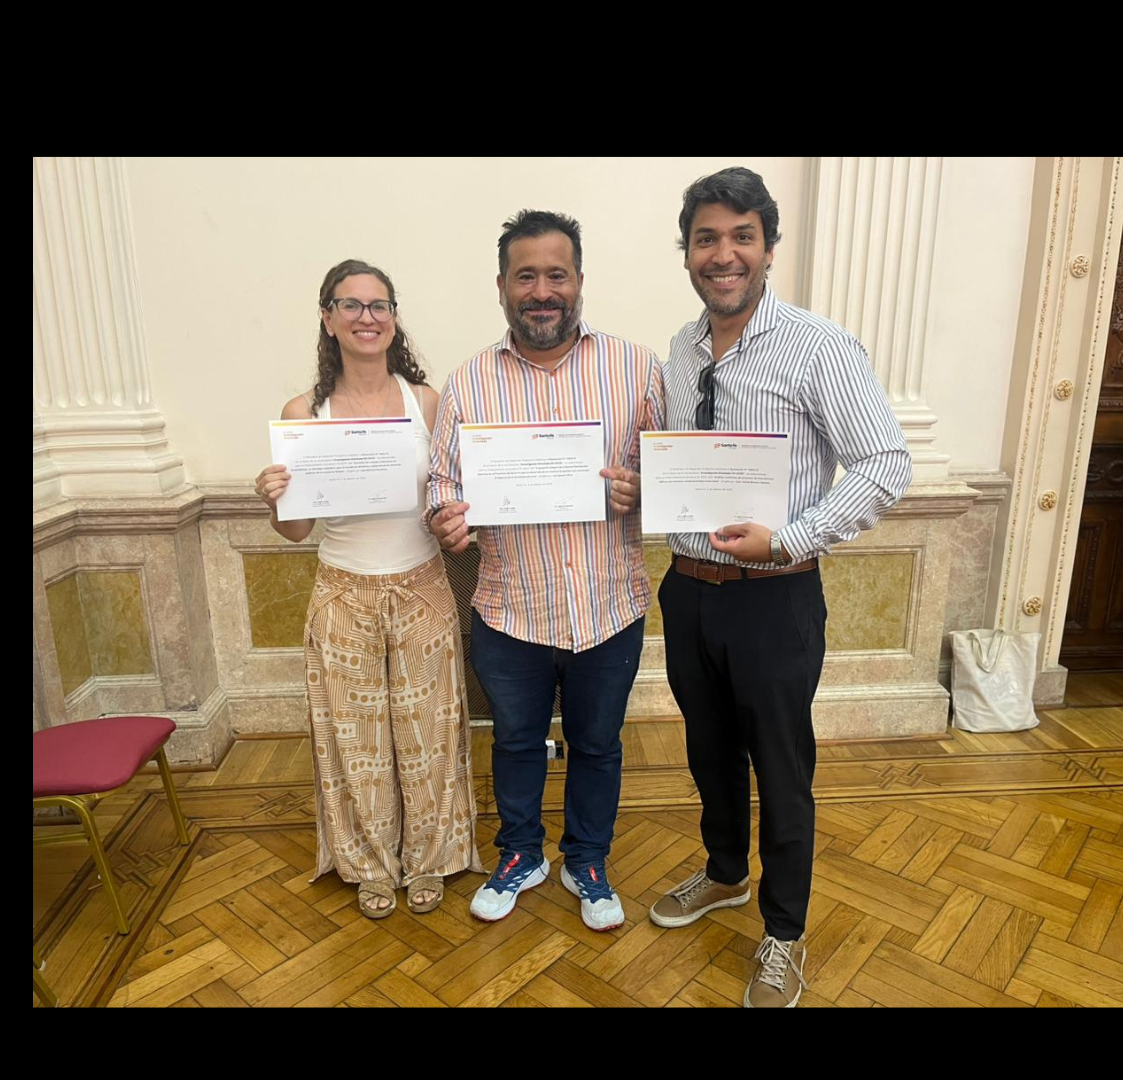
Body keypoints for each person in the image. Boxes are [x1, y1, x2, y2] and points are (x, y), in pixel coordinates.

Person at [649, 168, 913, 1007]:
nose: (723, 254)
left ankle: (785, 932)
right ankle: (726, 871)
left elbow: (885, 463)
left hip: (776, 596)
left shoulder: (819, 345)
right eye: (706, 238)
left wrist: (791, 538)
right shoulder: (681, 348)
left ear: (768, 247)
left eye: (742, 237)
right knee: (708, 751)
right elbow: (685, 465)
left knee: (781, 766)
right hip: (688, 589)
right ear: (687, 251)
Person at [426, 211, 664, 932]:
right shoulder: (468, 380)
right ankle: (521, 853)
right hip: (511, 606)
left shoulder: (637, 367)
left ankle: (586, 859)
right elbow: (442, 482)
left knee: (598, 745)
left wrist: (643, 488)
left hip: (607, 604)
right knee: (515, 742)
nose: (541, 291)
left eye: (556, 275)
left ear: (579, 280)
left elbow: (671, 471)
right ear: (501, 286)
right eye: (525, 276)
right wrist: (446, 517)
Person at [254, 259, 481, 920]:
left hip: (422, 588)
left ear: (394, 318)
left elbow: (449, 501)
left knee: (429, 735)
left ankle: (431, 857)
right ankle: (370, 865)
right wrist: (272, 497)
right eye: (350, 305)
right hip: (342, 592)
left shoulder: (426, 402)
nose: (366, 317)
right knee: (355, 741)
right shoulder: (304, 412)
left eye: (379, 305)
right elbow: (296, 529)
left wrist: (455, 519)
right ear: (328, 318)